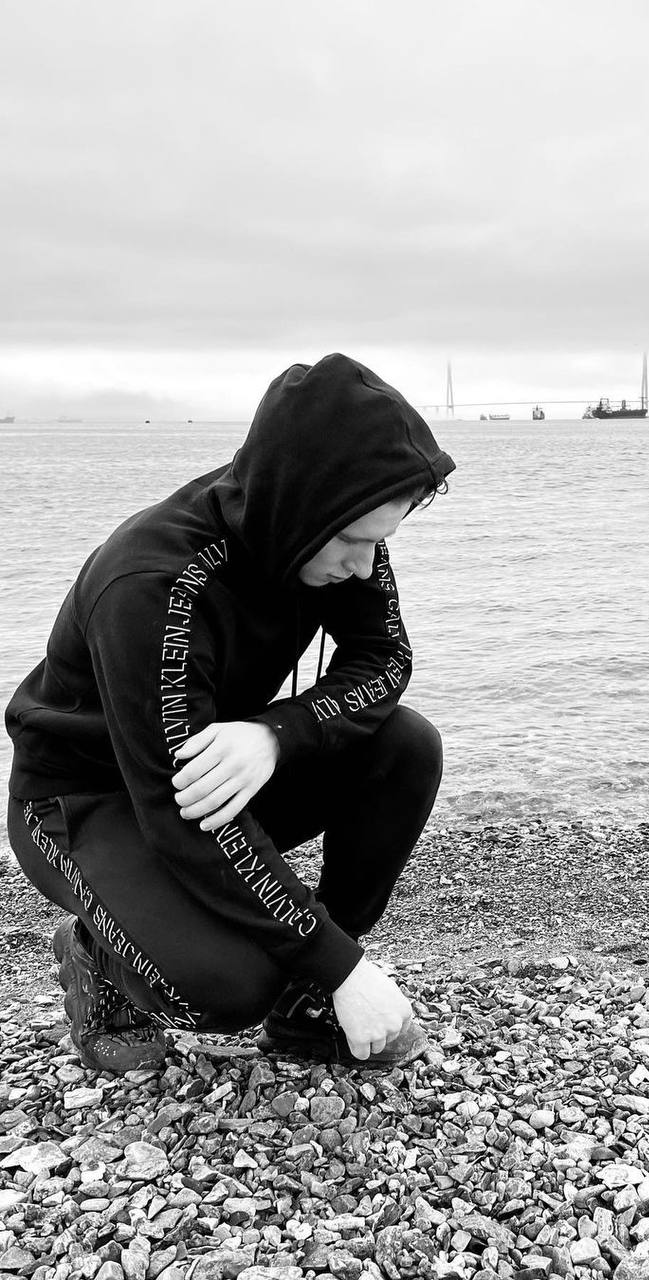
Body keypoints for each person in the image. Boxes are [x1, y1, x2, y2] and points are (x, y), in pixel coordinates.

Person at [5, 354, 456, 1075]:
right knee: (230, 988)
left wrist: (276, 734)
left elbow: (385, 658)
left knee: (405, 747)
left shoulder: (328, 531)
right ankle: (98, 957)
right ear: (303, 505)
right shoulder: (152, 584)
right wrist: (345, 966)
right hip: (83, 801)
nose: (365, 566)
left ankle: (308, 1003)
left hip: (210, 767)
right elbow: (178, 813)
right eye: (354, 542)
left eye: (381, 542)